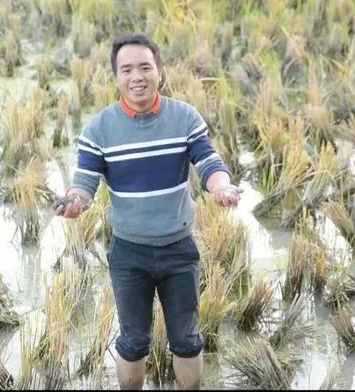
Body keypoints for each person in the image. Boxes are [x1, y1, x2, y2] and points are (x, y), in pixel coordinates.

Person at [52, 34, 242, 390]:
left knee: (186, 339)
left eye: (145, 67)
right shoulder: (98, 129)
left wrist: (221, 187)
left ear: (159, 72)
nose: (136, 76)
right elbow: (84, 185)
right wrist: (74, 202)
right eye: (126, 70)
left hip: (178, 249)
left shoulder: (184, 117)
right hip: (128, 253)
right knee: (133, 341)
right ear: (116, 77)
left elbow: (208, 162)